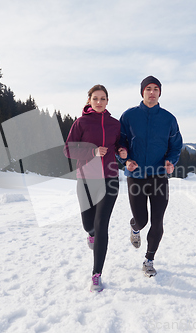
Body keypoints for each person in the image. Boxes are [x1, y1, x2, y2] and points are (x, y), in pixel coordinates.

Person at [64, 84, 127, 292]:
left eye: (103, 98)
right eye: (95, 98)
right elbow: (68, 150)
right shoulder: (81, 122)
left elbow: (119, 145)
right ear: (89, 100)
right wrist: (92, 152)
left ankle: (96, 274)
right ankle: (90, 233)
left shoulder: (114, 124)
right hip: (86, 179)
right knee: (88, 224)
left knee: (101, 226)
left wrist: (122, 151)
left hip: (109, 178)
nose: (99, 102)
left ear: (108, 101)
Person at [118, 75, 182, 277]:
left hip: (159, 176)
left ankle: (149, 259)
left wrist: (171, 161)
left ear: (160, 93)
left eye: (156, 89)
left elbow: (176, 146)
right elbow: (119, 143)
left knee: (157, 221)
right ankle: (134, 227)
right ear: (142, 92)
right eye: (148, 89)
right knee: (141, 219)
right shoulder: (129, 116)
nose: (152, 92)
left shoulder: (168, 119)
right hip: (135, 175)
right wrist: (125, 160)